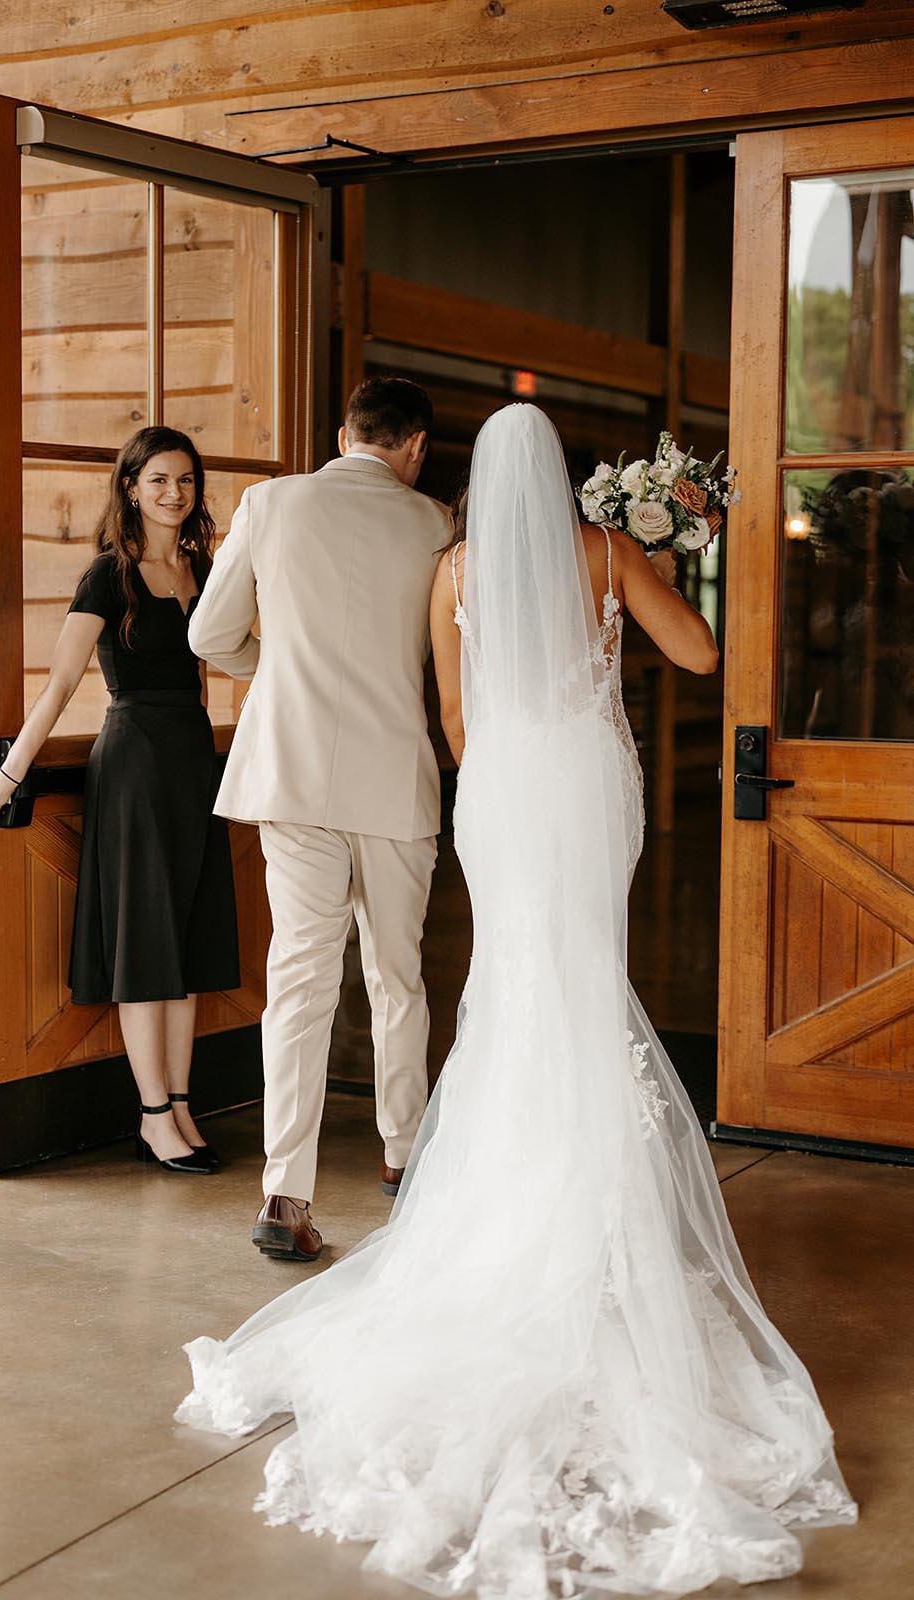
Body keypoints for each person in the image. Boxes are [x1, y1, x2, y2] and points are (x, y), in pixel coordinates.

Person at [176, 405, 856, 1597]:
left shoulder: (448, 569)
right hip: (587, 782)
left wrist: (499, 747)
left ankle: (467, 1197)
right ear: (571, 485)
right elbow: (697, 656)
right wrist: (652, 568)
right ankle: (591, 1221)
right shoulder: (603, 554)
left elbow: (451, 718)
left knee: (505, 984)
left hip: (498, 785)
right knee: (581, 978)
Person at [188, 375, 451, 1260]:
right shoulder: (435, 525)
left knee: (298, 983)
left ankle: (283, 1196)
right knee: (396, 976)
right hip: (392, 781)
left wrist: (276, 669)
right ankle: (404, 1155)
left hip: (290, 775)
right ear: (413, 447)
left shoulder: (269, 504)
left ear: (344, 435)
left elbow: (206, 637)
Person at [0, 426, 240, 1174]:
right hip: (134, 765)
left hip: (191, 764)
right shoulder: (106, 576)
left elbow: (216, 673)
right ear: (129, 488)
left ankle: (181, 1104)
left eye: (184, 480)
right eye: (157, 480)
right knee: (147, 940)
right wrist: (11, 774)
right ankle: (153, 1116)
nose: (174, 494)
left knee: (184, 942)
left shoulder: (203, 569)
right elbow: (58, 685)